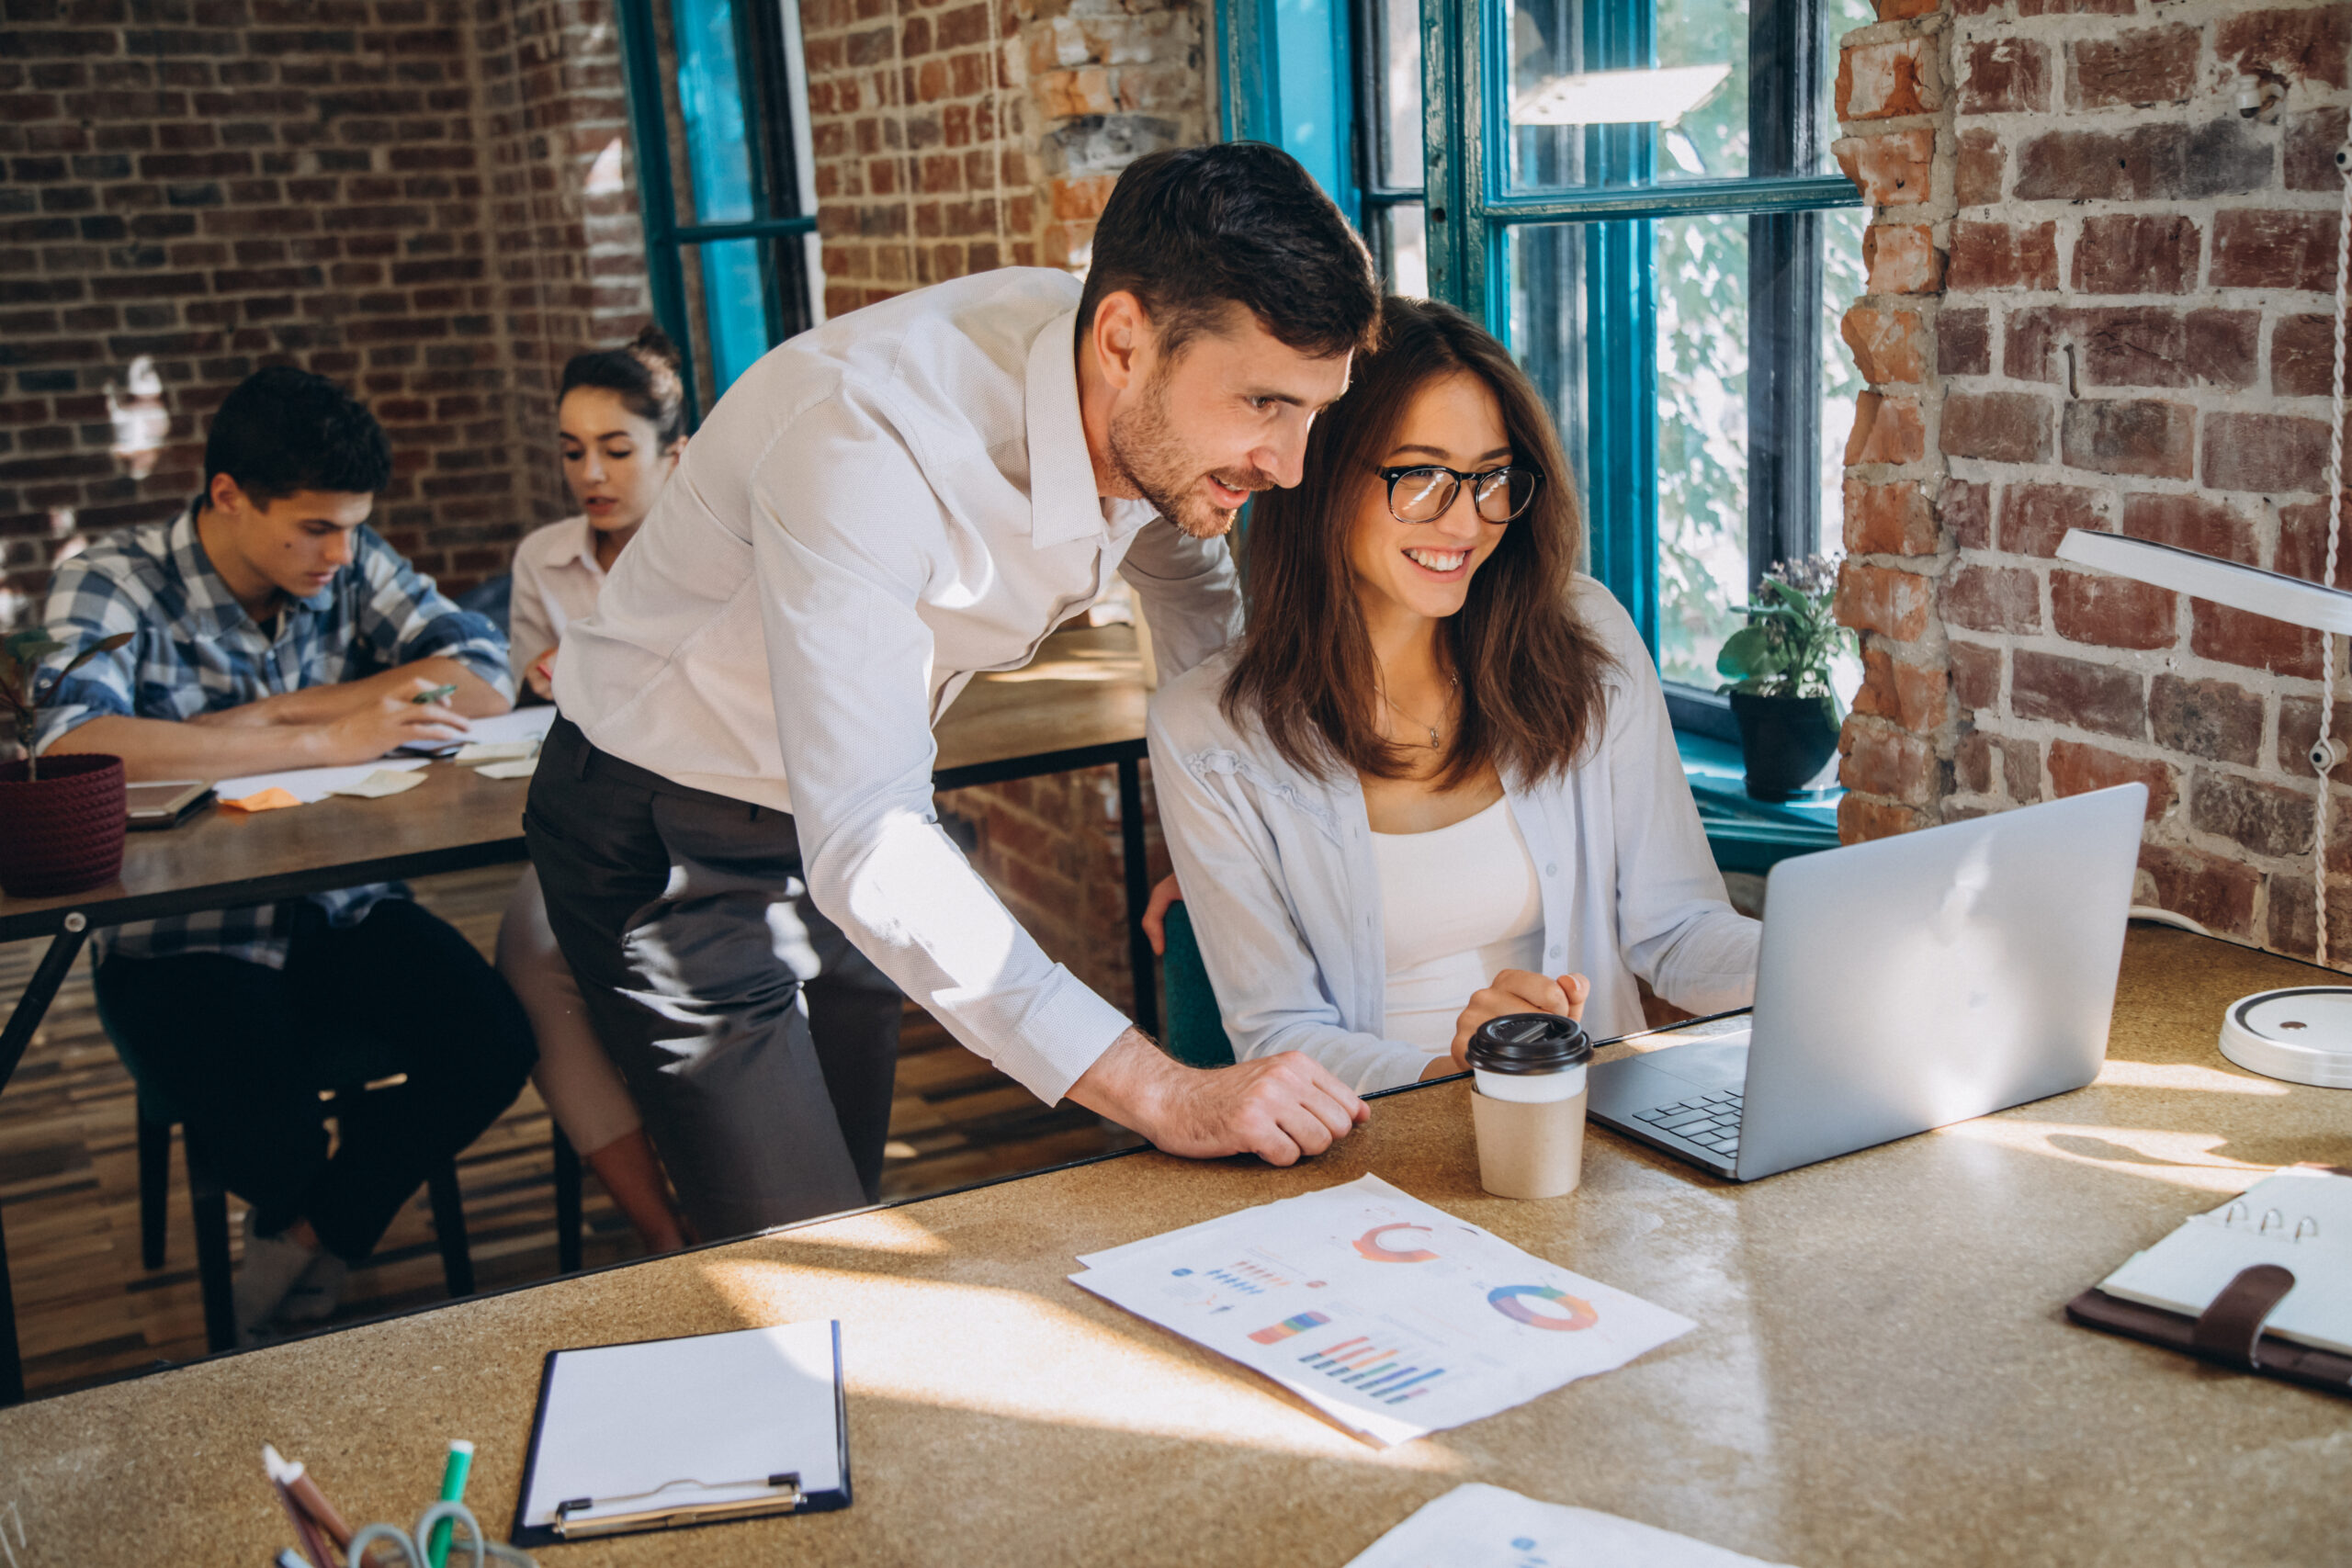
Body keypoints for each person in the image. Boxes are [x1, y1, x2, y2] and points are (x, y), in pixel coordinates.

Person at [525, 142, 1385, 1244]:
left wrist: (1220, 836)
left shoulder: (1125, 394)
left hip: (832, 810)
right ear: (1123, 340)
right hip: (661, 825)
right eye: (1265, 402)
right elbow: (872, 841)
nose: (1292, 463)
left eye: (1313, 410)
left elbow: (1189, 590)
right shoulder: (862, 439)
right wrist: (1160, 1088)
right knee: (807, 1248)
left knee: (849, 1200)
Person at [1144, 298, 1760, 1092]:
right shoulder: (1205, 733)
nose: (1466, 521)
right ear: (1320, 474)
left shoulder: (1583, 637)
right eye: (1424, 475)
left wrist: (1817, 961)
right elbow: (1282, 1036)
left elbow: (1675, 932)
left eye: (1491, 477)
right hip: (1380, 1164)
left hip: (1598, 1135)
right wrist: (1458, 1069)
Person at [38, 367, 537, 1339]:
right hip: (181, 935)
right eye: (314, 528)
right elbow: (65, 744)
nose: (340, 553)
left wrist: (273, 716)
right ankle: (309, 1217)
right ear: (227, 494)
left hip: (341, 907)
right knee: (268, 1136)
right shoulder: (111, 580)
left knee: (495, 1043)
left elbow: (478, 677)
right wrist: (318, 744)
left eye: (353, 527)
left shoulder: (345, 556)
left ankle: (307, 1234)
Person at [494, 329, 699, 1252]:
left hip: (701, 814)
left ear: (675, 454)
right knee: (531, 953)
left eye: (617, 450)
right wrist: (544, 682)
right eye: (572, 451)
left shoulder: (712, 556)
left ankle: (740, 1181)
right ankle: (663, 1229)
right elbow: (523, 713)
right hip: (584, 814)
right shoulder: (545, 558)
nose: (592, 474)